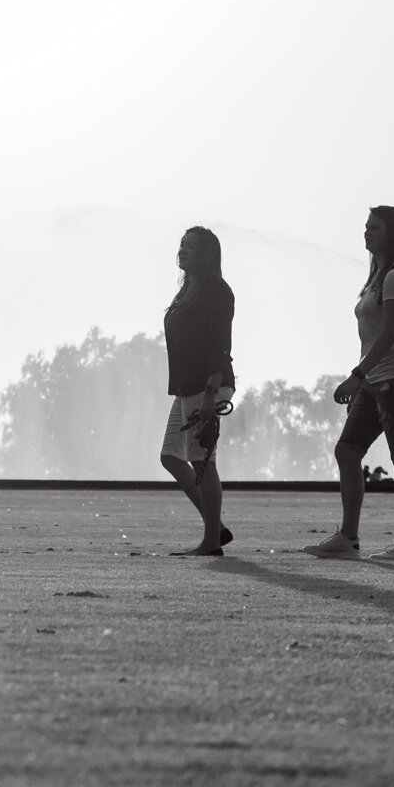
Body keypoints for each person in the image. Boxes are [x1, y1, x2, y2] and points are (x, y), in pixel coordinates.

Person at [305, 206, 394, 561]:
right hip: (376, 379)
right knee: (347, 450)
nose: (366, 233)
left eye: (374, 228)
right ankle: (349, 537)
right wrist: (365, 378)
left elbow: (390, 334)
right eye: (365, 227)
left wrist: (356, 376)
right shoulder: (377, 277)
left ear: (392, 232)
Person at [160, 225, 236, 557]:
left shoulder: (217, 291)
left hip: (208, 385)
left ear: (205, 254)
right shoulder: (189, 289)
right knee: (170, 456)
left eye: (191, 246)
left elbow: (220, 347)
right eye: (182, 244)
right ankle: (215, 528)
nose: (183, 250)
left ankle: (211, 542)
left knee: (203, 462)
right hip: (187, 387)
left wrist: (209, 394)